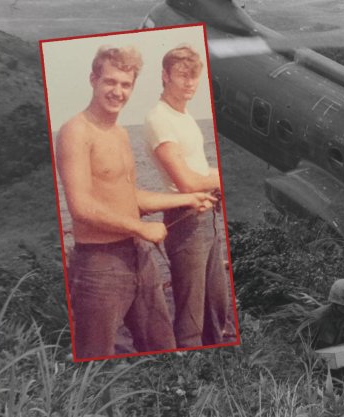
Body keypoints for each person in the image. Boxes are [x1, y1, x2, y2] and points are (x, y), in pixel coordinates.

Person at [56, 45, 216, 359]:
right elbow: (81, 207)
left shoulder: (119, 134)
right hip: (99, 265)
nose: (118, 91)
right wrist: (142, 228)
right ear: (93, 79)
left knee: (164, 353)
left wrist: (186, 198)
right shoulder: (75, 131)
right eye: (110, 82)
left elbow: (129, 198)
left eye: (126, 84)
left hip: (139, 259)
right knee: (99, 364)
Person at [143, 44, 233, 348]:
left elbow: (197, 170)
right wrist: (221, 177)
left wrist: (212, 178)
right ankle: (190, 383)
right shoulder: (159, 118)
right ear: (165, 75)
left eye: (195, 76)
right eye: (183, 75)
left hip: (207, 218)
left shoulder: (183, 117)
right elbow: (185, 181)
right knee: (191, 317)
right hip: (185, 222)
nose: (190, 82)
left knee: (217, 306)